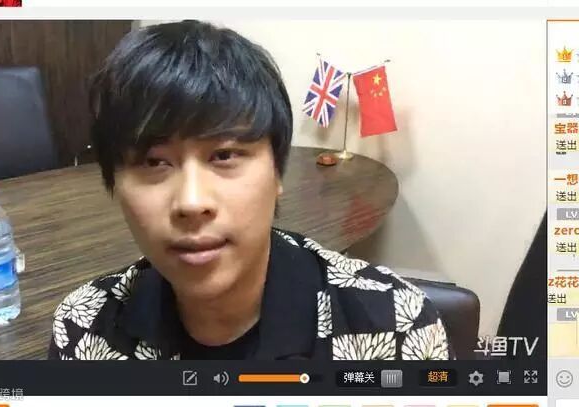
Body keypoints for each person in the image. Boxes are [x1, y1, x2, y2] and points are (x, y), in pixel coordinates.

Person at [48, 20, 452, 361]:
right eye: (154, 162)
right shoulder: (84, 331)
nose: (192, 202)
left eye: (224, 155)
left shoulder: (395, 328)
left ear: (278, 172)